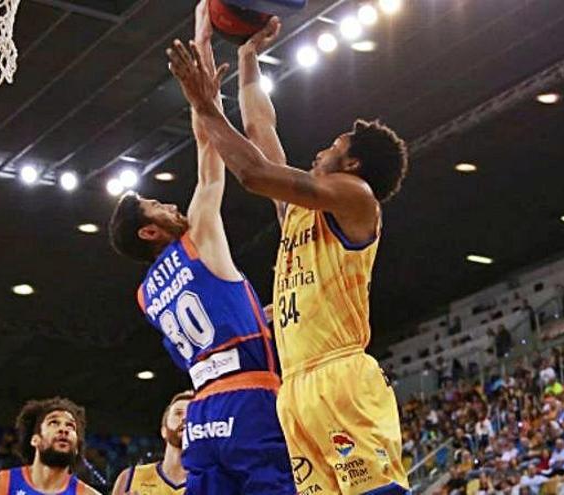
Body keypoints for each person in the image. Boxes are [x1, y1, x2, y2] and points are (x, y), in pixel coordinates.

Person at [166, 16, 410, 494]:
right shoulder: (301, 212)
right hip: (295, 388)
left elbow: (254, 173)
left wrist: (203, 104)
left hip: (340, 378)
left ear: (353, 164)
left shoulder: (357, 197)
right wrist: (248, 57)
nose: (321, 151)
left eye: (334, 147)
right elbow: (261, 128)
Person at [108, 3, 294, 493]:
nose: (168, 204)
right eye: (155, 207)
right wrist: (203, 55)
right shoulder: (197, 239)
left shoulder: (146, 294)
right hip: (249, 396)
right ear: (149, 232)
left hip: (202, 414)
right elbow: (209, 152)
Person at [0, 397, 100, 495]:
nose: (64, 429)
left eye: (70, 426)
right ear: (35, 440)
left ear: (77, 447)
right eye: (54, 422)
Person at [111, 391, 192, 495]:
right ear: (163, 430)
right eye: (178, 413)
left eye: (191, 414)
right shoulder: (130, 477)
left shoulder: (213, 481)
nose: (185, 418)